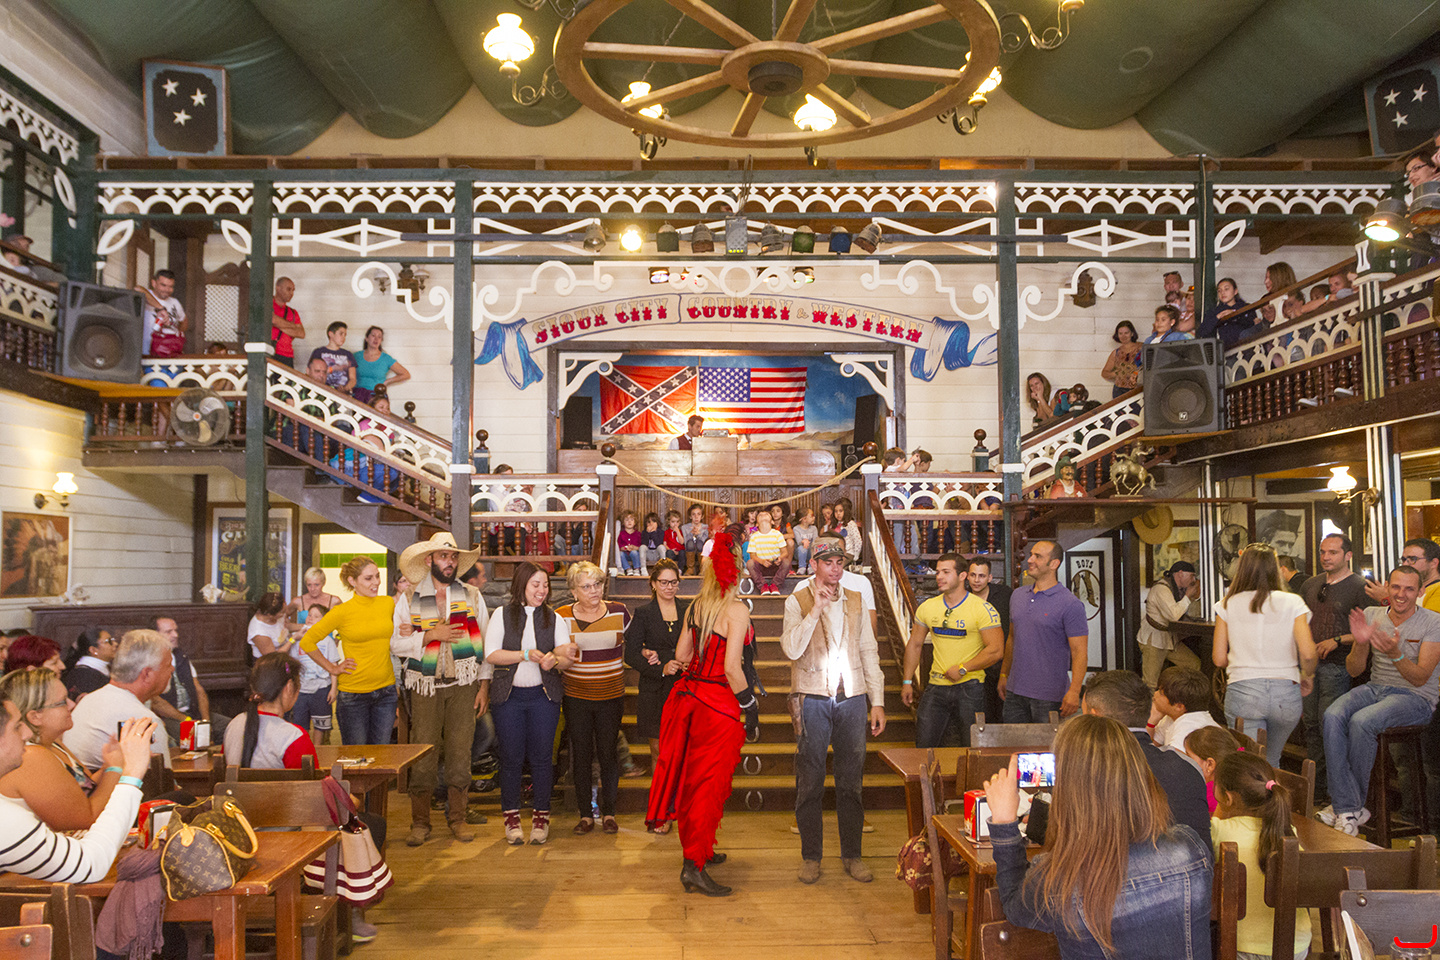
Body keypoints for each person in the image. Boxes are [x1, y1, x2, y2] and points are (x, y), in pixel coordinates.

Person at [983, 713, 1213, 960]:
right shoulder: (1189, 849)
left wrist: (1004, 822)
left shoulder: (1057, 879)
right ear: (1140, 775)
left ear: (1068, 791)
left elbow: (1014, 906)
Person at [224, 652, 384, 942]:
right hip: (287, 836)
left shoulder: (234, 725)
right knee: (369, 823)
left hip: (240, 831)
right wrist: (351, 801)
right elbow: (315, 801)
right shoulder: (293, 736)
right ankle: (347, 915)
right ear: (288, 688)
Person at [646, 531, 755, 896]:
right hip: (716, 707)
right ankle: (693, 866)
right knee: (707, 786)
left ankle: (701, 849)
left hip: (688, 699)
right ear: (737, 571)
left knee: (693, 781)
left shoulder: (695, 606)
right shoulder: (736, 610)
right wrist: (749, 704)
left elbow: (681, 655)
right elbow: (732, 669)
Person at [781, 537, 886, 885]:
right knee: (810, 780)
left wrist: (877, 700)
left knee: (851, 781)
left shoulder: (855, 599)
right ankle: (811, 856)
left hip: (852, 696)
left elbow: (869, 650)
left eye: (840, 562)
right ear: (814, 565)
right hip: (812, 697)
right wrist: (815, 610)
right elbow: (791, 649)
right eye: (828, 562)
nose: (835, 568)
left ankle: (852, 855)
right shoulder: (798, 600)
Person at [1318, 565, 1440, 835]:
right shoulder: (1372, 615)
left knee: (1362, 721)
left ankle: (1349, 807)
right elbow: (1354, 670)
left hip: (1416, 698)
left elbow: (1420, 678)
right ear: (1387, 586)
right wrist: (1361, 642)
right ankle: (1348, 806)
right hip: (1375, 688)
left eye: (1409, 589)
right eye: (1395, 587)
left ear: (1420, 591)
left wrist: (1396, 654)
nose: (1401, 594)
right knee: (1332, 715)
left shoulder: (1433, 622)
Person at [0, 683, 156, 882]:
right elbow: (89, 865)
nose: (26, 734)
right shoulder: (6, 818)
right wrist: (131, 774)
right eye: (16, 727)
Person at [391, 532, 489, 845]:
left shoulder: (472, 596)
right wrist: (431, 635)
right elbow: (396, 644)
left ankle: (458, 819)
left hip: (464, 684)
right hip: (425, 686)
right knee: (423, 754)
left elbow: (486, 643)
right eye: (443, 556)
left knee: (461, 754)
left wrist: (484, 686)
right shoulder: (409, 597)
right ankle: (420, 823)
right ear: (429, 560)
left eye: (453, 557)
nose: (449, 562)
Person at [485, 562, 576, 846]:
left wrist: (555, 660)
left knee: (542, 758)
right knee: (510, 758)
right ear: (521, 585)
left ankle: (541, 817)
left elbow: (565, 657)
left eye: (545, 585)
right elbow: (491, 654)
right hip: (508, 698)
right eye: (536, 584)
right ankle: (511, 819)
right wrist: (524, 654)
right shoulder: (501, 614)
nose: (542, 590)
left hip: (544, 698)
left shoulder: (554, 618)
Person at [1212, 543, 1317, 768]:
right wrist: (1307, 676)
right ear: (1275, 568)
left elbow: (1219, 658)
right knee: (1272, 759)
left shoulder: (1227, 604)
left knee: (1250, 764)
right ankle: (1274, 790)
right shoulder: (1293, 602)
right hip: (1285, 694)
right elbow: (1308, 653)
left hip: (1244, 692)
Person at [1080, 670, 1211, 849]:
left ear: (1096, 717)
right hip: (1193, 865)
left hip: (1122, 865)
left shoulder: (1090, 768)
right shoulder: (1188, 765)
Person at [1210, 751, 1311, 960]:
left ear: (1227, 797)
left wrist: (1221, 809)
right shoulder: (1288, 831)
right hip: (1296, 946)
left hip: (1241, 947)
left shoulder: (1218, 830)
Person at [554, 561, 629, 835]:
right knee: (582, 755)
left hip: (611, 695)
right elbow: (555, 653)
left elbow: (635, 645)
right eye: (586, 586)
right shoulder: (561, 616)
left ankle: (609, 813)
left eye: (597, 584)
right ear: (574, 591)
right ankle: (586, 815)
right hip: (576, 697)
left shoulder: (620, 611)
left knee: (608, 755)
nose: (594, 590)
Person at [0, 668, 127, 829]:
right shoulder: (30, 756)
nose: (72, 705)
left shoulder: (53, 743)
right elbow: (85, 820)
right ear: (35, 716)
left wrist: (107, 766)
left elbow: (82, 792)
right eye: (62, 702)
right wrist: (116, 768)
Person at [1299, 534, 1375, 799]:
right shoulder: (1310, 584)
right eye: (1323, 552)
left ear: (1348, 555)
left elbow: (1369, 630)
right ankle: (1315, 789)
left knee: (1329, 725)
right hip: (1309, 664)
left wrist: (1337, 640)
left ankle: (1336, 792)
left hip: (1339, 664)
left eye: (1333, 552)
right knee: (1310, 725)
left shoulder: (1360, 587)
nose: (1326, 557)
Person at [901, 553, 1002, 747]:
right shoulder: (928, 607)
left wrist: (963, 668)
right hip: (936, 685)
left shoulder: (982, 608)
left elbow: (996, 650)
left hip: (970, 687)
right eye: (938, 572)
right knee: (924, 745)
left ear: (962, 576)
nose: (939, 577)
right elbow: (915, 644)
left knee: (971, 747)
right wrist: (907, 681)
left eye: (946, 572)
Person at [301, 557, 399, 746]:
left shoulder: (387, 603)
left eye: (377, 576)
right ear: (352, 581)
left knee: (382, 756)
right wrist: (332, 668)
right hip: (354, 696)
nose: (376, 582)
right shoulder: (342, 611)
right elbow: (307, 641)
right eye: (368, 578)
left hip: (386, 692)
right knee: (356, 757)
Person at [1000, 540, 1088, 722]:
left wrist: (1074, 691)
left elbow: (1079, 652)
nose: (1030, 560)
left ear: (1054, 564)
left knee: (1048, 741)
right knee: (1012, 740)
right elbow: (1012, 638)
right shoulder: (1017, 595)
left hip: (1050, 696)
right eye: (1031, 554)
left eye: (1038, 556)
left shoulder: (1070, 604)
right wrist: (1004, 674)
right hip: (1014, 692)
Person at [63, 629, 173, 770]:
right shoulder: (144, 721)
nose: (172, 669)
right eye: (168, 665)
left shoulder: (89, 700)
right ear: (146, 674)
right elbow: (162, 779)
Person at [625, 560, 689, 802]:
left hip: (684, 687)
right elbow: (631, 654)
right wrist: (661, 668)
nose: (669, 587)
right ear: (653, 584)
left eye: (673, 582)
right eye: (664, 582)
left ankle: (681, 802)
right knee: (658, 750)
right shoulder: (643, 613)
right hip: (654, 689)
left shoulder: (688, 609)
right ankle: (661, 804)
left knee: (683, 750)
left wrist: (690, 661)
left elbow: (700, 642)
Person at [149, 616, 231, 745]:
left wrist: (206, 722)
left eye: (175, 630)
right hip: (170, 718)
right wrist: (186, 720)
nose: (175, 635)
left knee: (230, 727)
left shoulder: (181, 656)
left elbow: (199, 691)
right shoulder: (150, 660)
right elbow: (156, 702)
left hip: (193, 713)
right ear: (155, 635)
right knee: (192, 737)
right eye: (169, 632)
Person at [1137, 561, 1202, 688]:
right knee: (1150, 682)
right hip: (1154, 640)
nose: (1193, 580)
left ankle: (1180, 694)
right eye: (1192, 576)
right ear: (1180, 573)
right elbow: (1173, 615)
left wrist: (1193, 595)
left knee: (1193, 665)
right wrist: (1188, 596)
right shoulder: (1161, 589)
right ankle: (1150, 701)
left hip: (1168, 639)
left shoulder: (1177, 589)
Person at [966, 559, 1012, 722]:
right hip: (972, 665)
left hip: (999, 664)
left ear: (990, 578)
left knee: (1000, 715)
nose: (976, 580)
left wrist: (1006, 671)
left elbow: (1012, 629)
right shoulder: (963, 597)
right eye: (973, 575)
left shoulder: (1005, 595)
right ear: (967, 576)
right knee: (975, 716)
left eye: (982, 576)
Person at [1148, 667, 1220, 751]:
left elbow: (1146, 753)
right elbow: (1152, 745)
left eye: (1161, 692)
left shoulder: (1188, 732)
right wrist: (1151, 722)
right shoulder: (1174, 715)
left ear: (1179, 706)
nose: (1155, 694)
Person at [1184, 725, 1243, 814]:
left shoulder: (1208, 795)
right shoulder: (1231, 780)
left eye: (1188, 757)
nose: (1184, 760)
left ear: (1210, 764)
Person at [353, 325, 410, 404]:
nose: (376, 339)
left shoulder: (386, 358)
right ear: (366, 338)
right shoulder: (356, 356)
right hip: (357, 396)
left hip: (377, 397)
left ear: (381, 340)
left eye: (379, 337)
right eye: (373, 335)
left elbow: (406, 374)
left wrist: (387, 382)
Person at [136, 269, 187, 357]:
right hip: (148, 353)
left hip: (171, 354)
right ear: (154, 283)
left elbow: (184, 321)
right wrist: (160, 308)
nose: (167, 289)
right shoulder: (147, 296)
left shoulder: (175, 302)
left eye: (170, 286)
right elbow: (138, 289)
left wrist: (177, 332)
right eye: (163, 285)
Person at [62, 627, 117, 700]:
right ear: (93, 650)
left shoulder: (98, 669)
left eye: (113, 640)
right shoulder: (84, 675)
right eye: (109, 641)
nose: (115, 644)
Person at [1200, 277, 1255, 348]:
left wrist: (1235, 314)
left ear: (1235, 291)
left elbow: (1252, 324)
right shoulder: (1216, 311)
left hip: (1246, 346)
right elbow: (1202, 331)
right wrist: (1217, 317)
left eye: (1226, 289)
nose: (1222, 293)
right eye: (1219, 291)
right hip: (1227, 349)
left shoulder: (1246, 307)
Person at [747, 508, 788, 594]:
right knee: (750, 563)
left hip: (775, 565)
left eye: (766, 514)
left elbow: (785, 552)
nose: (763, 514)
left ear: (772, 522)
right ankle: (763, 586)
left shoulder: (777, 534)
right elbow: (752, 555)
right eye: (760, 515)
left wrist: (779, 558)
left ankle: (775, 585)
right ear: (757, 524)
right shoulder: (754, 536)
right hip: (761, 566)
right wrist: (762, 561)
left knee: (786, 562)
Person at [308, 321, 356, 394]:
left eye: (345, 335)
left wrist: (345, 388)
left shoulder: (348, 354)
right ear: (331, 334)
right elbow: (312, 373)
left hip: (343, 392)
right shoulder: (319, 352)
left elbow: (353, 379)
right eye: (341, 334)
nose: (343, 337)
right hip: (322, 390)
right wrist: (335, 368)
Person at [1100, 320, 1142, 398]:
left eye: (1126, 333)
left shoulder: (1141, 348)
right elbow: (1104, 373)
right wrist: (1117, 373)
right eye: (1120, 333)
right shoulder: (1116, 352)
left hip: (1138, 390)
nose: (1123, 336)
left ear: (1132, 333)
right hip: (1119, 391)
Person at [271, 276, 305, 369]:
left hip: (287, 356)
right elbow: (273, 319)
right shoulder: (268, 304)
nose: (291, 293)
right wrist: (293, 327)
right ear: (278, 288)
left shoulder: (293, 312)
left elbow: (301, 333)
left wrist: (278, 323)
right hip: (271, 352)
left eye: (293, 290)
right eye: (288, 289)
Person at [247, 591, 292, 661]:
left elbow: (286, 626)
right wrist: (292, 640)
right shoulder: (259, 632)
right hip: (269, 663)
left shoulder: (277, 615)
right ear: (270, 615)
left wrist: (307, 627)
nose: (285, 613)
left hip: (284, 656)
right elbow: (273, 657)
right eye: (282, 612)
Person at [831, 497, 861, 562]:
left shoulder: (851, 524)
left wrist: (856, 556)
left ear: (846, 511)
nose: (838, 513)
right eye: (836, 511)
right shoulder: (835, 525)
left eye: (840, 511)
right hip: (837, 553)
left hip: (848, 553)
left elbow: (858, 541)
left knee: (839, 564)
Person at [682, 504, 709, 575]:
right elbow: (685, 542)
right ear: (690, 516)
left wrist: (699, 534)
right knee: (690, 543)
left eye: (698, 514)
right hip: (689, 550)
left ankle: (702, 568)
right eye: (693, 514)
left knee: (699, 543)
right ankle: (690, 568)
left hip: (701, 549)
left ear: (702, 516)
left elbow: (705, 541)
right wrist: (691, 534)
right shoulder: (685, 527)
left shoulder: (706, 527)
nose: (696, 517)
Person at [617, 509, 642, 576]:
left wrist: (635, 547)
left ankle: (637, 569)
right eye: (626, 520)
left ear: (635, 522)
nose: (629, 522)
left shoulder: (638, 534)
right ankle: (628, 569)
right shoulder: (621, 534)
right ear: (623, 522)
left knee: (634, 552)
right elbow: (619, 546)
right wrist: (625, 548)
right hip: (625, 554)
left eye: (632, 520)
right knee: (620, 554)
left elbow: (641, 547)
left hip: (635, 555)